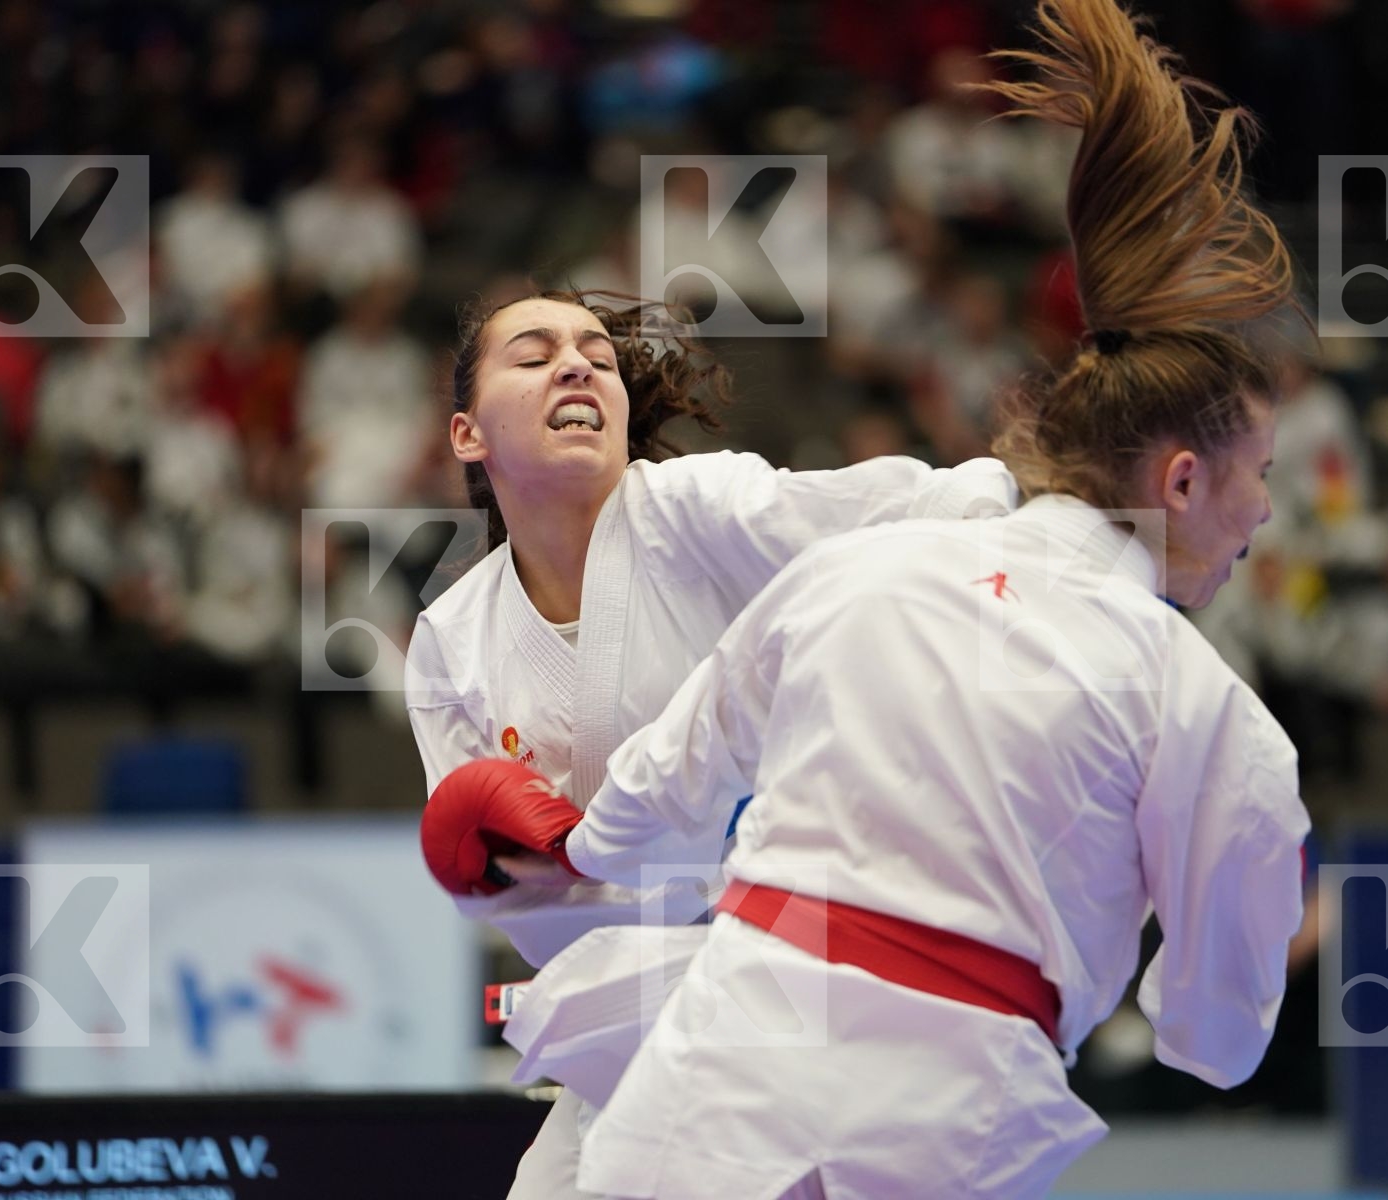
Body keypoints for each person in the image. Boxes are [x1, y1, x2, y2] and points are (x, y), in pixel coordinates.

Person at [423, 0, 1312, 1194]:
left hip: (739, 1015)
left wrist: (589, 840)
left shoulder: (813, 550)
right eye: (1259, 480)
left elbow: (925, 523)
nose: (1265, 515)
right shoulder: (1204, 706)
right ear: (1183, 477)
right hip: (871, 1063)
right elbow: (1216, 1038)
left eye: (594, 351)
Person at [407, 287, 1018, 1198]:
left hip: (804, 974)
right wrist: (533, 870)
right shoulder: (452, 641)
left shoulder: (697, 511)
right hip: (640, 1010)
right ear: (468, 435)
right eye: (534, 356)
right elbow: (499, 897)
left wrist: (1044, 524)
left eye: (597, 357)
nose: (577, 363)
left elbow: (922, 510)